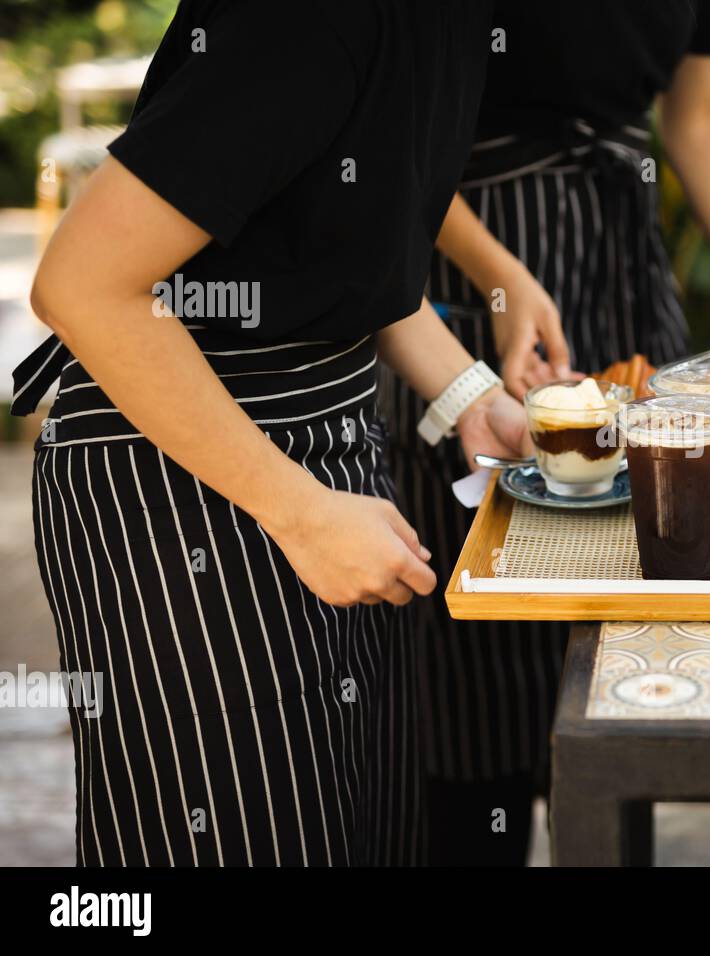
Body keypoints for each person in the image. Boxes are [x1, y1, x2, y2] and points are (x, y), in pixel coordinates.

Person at [12, 0, 530, 866]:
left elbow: (343, 248)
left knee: (366, 832)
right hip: (179, 484)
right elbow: (84, 285)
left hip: (330, 458)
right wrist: (298, 510)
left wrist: (467, 392)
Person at [378, 0, 710, 865]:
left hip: (620, 252)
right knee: (479, 636)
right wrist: (503, 278)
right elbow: (386, 127)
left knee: (641, 597)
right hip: (466, 257)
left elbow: (698, 118)